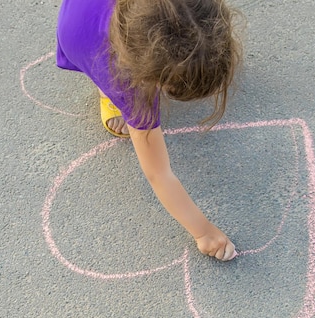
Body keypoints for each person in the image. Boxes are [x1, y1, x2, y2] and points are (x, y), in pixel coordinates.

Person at [56, 0, 242, 261]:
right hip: (81, 37)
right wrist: (204, 232)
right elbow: (158, 173)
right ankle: (108, 95)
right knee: (109, 74)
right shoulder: (130, 88)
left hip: (82, 11)